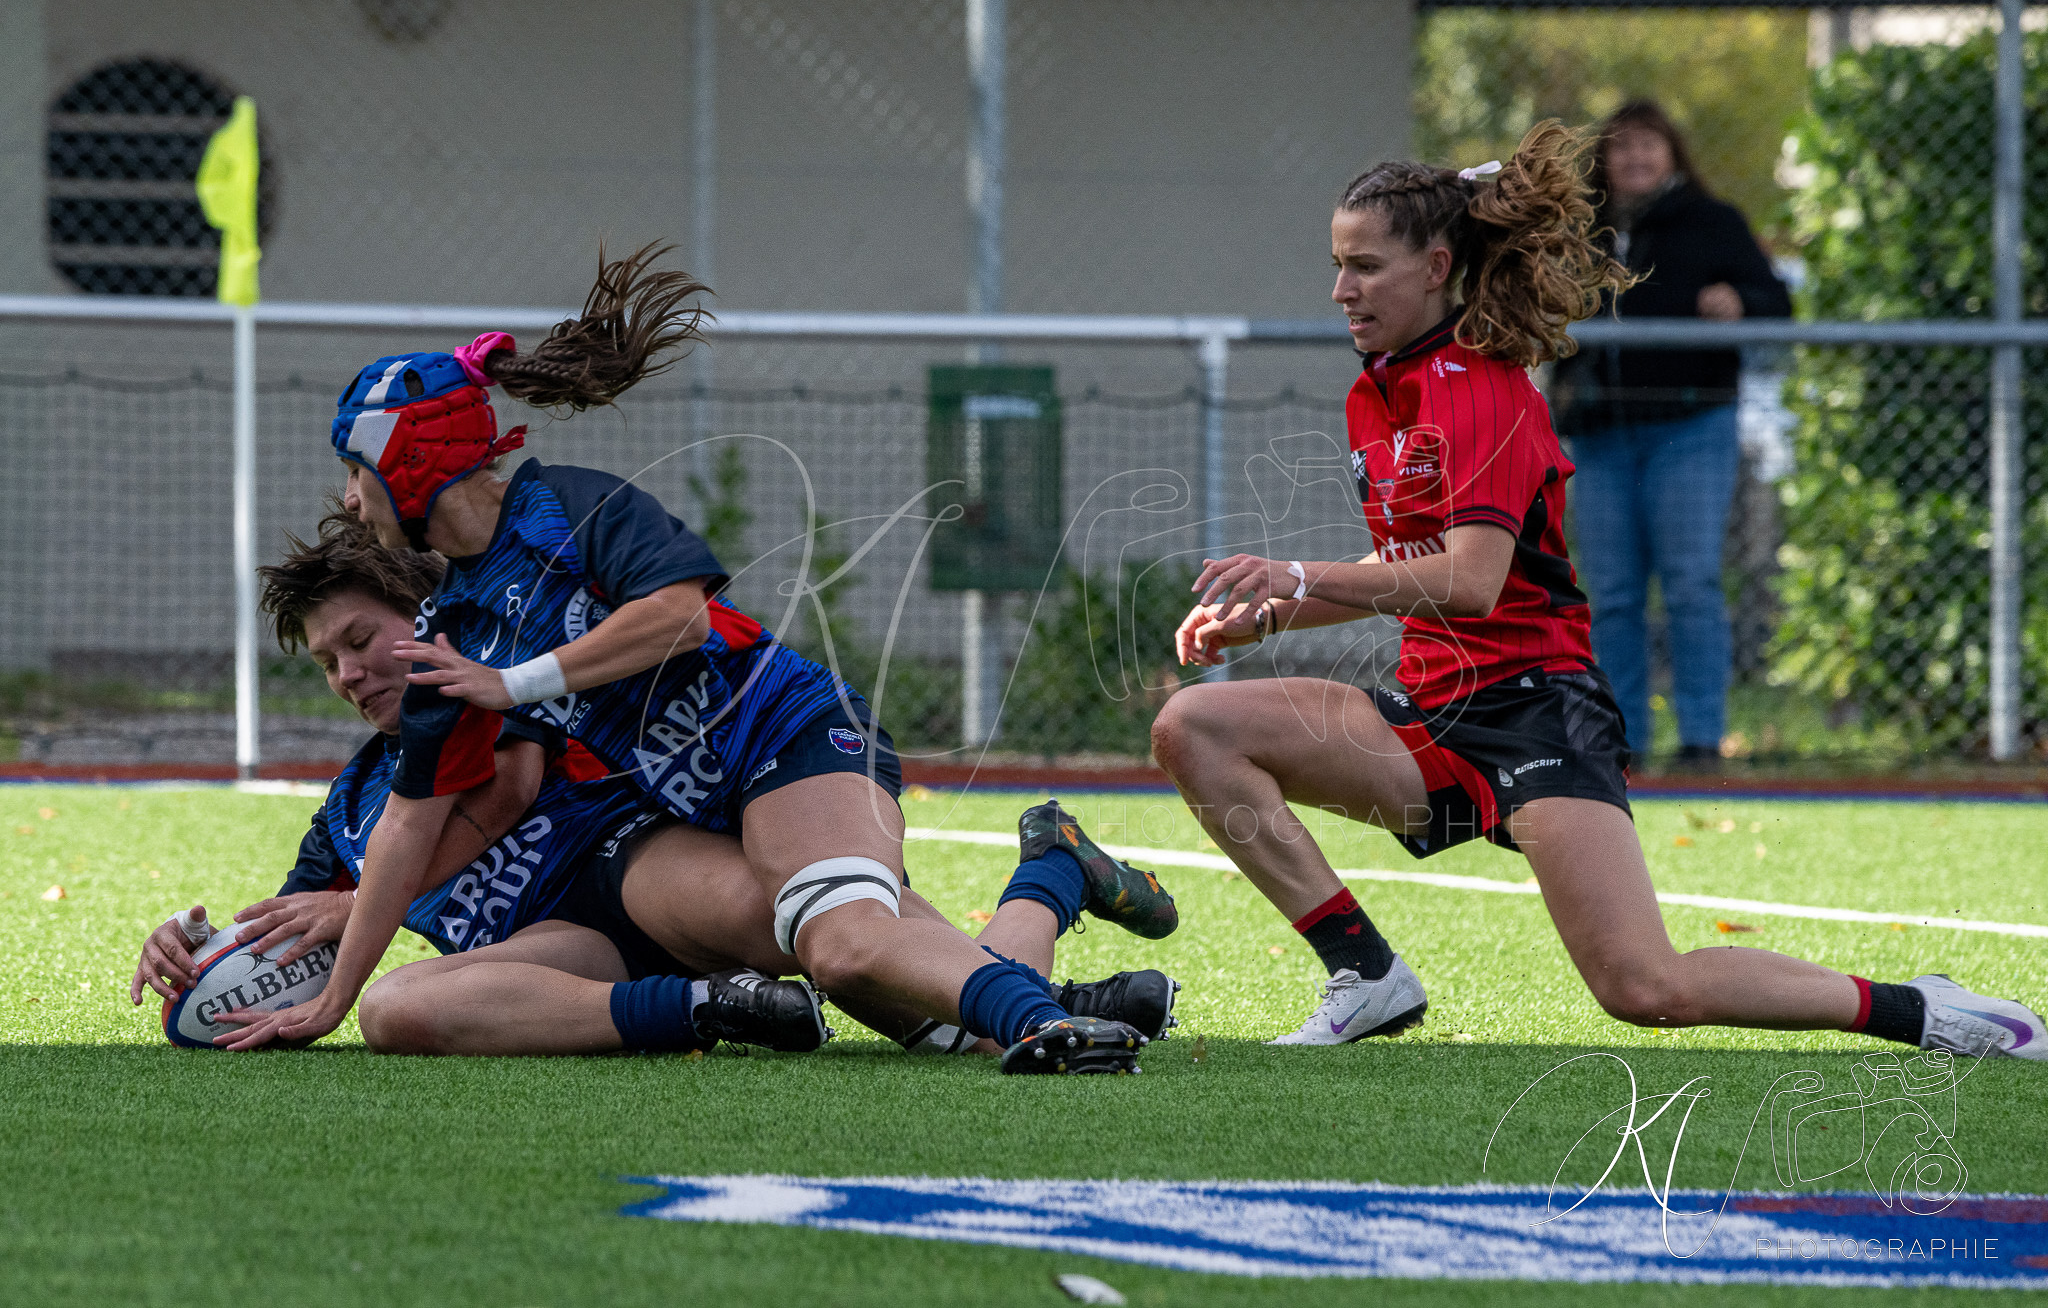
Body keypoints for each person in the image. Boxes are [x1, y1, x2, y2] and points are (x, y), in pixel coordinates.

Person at [1148, 121, 2046, 1064]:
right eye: (1337, 266)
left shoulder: (1482, 387)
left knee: (1644, 987)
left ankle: (1925, 1010)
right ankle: (1364, 974)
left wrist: (1295, 574)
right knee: (1194, 730)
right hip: (1427, 719)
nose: (1341, 290)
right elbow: (1405, 574)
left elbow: (1471, 582)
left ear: (1437, 266)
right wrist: (1269, 616)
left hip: (1536, 711)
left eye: (1365, 267)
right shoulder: (1377, 389)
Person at [225, 246, 1179, 1075]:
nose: (351, 502)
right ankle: (1050, 878)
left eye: (357, 473)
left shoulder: (568, 505)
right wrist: (335, 1000)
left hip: (788, 731)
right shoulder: (447, 623)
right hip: (698, 803)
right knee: (922, 1008)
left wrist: (515, 684)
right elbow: (407, 825)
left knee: (843, 945)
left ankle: (1045, 1021)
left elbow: (679, 617)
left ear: (408, 461)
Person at [131, 517, 1178, 1057]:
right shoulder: (346, 806)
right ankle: (715, 1008)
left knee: (871, 964)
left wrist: (365, 900)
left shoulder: (491, 690)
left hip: (638, 871)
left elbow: (497, 794)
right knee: (396, 1008)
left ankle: (1043, 901)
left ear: (424, 619)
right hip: (558, 957)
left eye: (361, 640)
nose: (349, 673)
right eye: (326, 663)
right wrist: (196, 956)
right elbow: (290, 941)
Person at [1549, 99, 1793, 768]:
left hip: (1691, 425)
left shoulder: (1713, 223)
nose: (1636, 157)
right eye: (1622, 146)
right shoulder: (1577, 230)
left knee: (1690, 582)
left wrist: (1741, 305)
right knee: (1614, 592)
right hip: (1600, 433)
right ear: (1602, 160)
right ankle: (1619, 740)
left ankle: (1702, 740)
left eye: (1649, 144)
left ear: (1673, 153)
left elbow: (1776, 304)